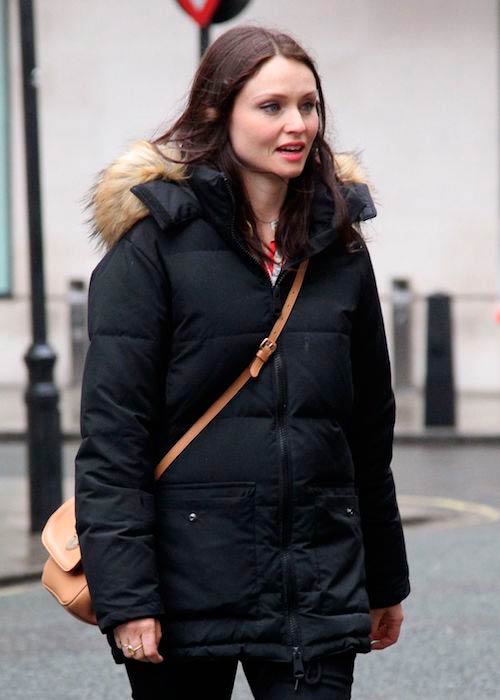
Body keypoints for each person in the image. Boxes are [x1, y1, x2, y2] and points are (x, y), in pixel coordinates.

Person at [75, 25, 410, 700]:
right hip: (184, 594)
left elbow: (368, 431)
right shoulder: (154, 248)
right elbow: (115, 438)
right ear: (216, 112)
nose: (298, 125)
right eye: (272, 107)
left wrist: (382, 581)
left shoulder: (339, 250)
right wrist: (128, 598)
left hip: (314, 590)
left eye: (309, 106)